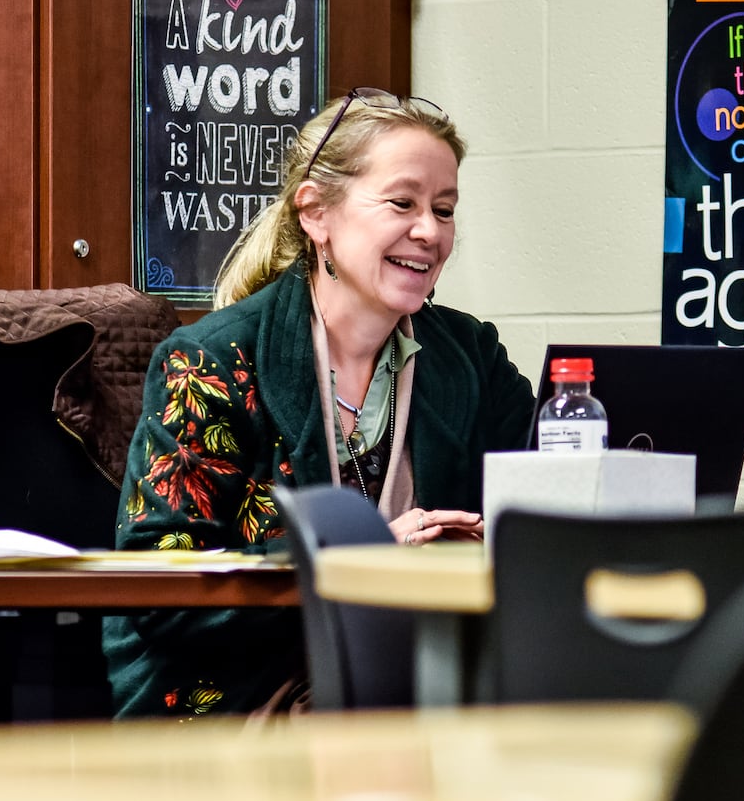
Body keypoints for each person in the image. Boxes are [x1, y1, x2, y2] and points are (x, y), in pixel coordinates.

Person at [104, 88, 535, 719]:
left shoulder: (468, 355)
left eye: (444, 210)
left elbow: (547, 494)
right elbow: (161, 588)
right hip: (238, 692)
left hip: (418, 678)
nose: (430, 232)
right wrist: (357, 564)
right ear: (316, 213)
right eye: (402, 203)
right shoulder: (212, 360)